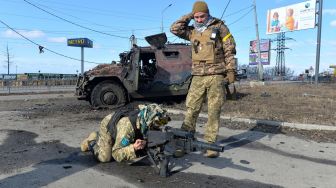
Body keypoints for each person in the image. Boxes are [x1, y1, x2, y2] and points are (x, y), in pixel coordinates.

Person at [170, 1, 236, 158]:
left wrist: (231, 70)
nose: (199, 20)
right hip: (198, 76)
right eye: (196, 17)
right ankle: (184, 143)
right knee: (191, 109)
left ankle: (210, 145)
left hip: (216, 74)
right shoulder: (191, 31)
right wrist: (189, 16)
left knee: (214, 110)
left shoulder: (219, 27)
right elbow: (174, 28)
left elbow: (230, 49)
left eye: (202, 16)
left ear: (208, 14)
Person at [80, 103, 170, 162]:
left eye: (161, 123)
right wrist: (133, 148)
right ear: (147, 120)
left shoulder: (146, 123)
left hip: (125, 128)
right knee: (105, 158)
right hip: (108, 127)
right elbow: (116, 154)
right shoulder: (127, 126)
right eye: (158, 123)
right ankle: (92, 140)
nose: (159, 126)